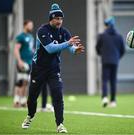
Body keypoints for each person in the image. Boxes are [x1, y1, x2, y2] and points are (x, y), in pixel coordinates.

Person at [21, 3, 84, 133]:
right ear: (51, 18)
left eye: (61, 19)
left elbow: (70, 47)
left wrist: (75, 50)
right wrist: (68, 43)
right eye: (56, 18)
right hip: (38, 69)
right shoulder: (42, 31)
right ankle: (30, 115)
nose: (59, 21)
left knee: (57, 94)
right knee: (32, 98)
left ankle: (59, 124)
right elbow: (50, 49)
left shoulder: (64, 32)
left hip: (53, 69)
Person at [96, 17, 125, 108]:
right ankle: (113, 101)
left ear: (107, 25)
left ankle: (104, 97)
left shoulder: (102, 36)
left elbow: (97, 48)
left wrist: (102, 54)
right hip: (115, 61)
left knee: (105, 80)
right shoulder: (119, 36)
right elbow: (123, 50)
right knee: (113, 81)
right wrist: (117, 57)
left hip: (105, 60)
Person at [13, 20, 34, 107]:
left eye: (32, 25)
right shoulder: (21, 37)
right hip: (23, 62)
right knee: (20, 81)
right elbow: (16, 49)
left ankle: (23, 100)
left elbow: (31, 49)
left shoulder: (31, 37)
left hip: (29, 62)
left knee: (26, 81)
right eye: (29, 25)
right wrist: (19, 61)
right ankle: (16, 100)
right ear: (25, 25)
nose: (31, 27)